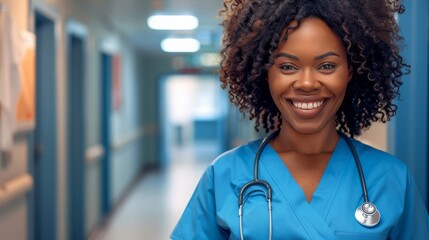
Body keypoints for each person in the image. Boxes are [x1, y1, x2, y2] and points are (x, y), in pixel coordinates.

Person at [170, 0, 429, 239]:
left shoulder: (391, 178)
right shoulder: (225, 174)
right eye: (287, 67)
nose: (306, 83)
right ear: (265, 73)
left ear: (350, 71)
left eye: (327, 66)